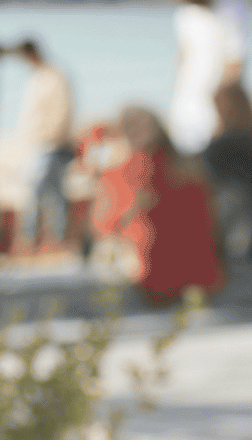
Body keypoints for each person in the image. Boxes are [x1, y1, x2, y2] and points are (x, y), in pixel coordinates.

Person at [91, 105, 224, 304]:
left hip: (152, 281)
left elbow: (104, 226)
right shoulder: (192, 173)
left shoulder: (119, 176)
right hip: (204, 279)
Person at [14, 38, 74, 249]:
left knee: (37, 189)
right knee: (51, 190)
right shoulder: (38, 77)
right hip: (39, 142)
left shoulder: (53, 77)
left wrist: (52, 137)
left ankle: (35, 238)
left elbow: (62, 111)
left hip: (50, 143)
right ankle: (51, 237)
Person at [166, 0, 229, 156]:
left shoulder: (224, 12)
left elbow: (233, 59)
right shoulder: (183, 16)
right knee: (185, 141)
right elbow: (182, 55)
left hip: (213, 90)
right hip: (188, 92)